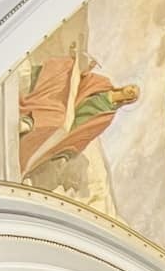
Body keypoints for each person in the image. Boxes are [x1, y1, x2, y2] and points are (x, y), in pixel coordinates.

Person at [18, 50, 139, 181]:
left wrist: (68, 153)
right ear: (126, 85)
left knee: (57, 124)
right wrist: (87, 67)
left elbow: (87, 135)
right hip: (70, 103)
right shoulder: (104, 84)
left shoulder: (107, 116)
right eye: (132, 87)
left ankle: (29, 127)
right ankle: (28, 119)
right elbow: (84, 78)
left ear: (129, 100)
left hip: (71, 125)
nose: (131, 90)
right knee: (57, 106)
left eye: (133, 93)